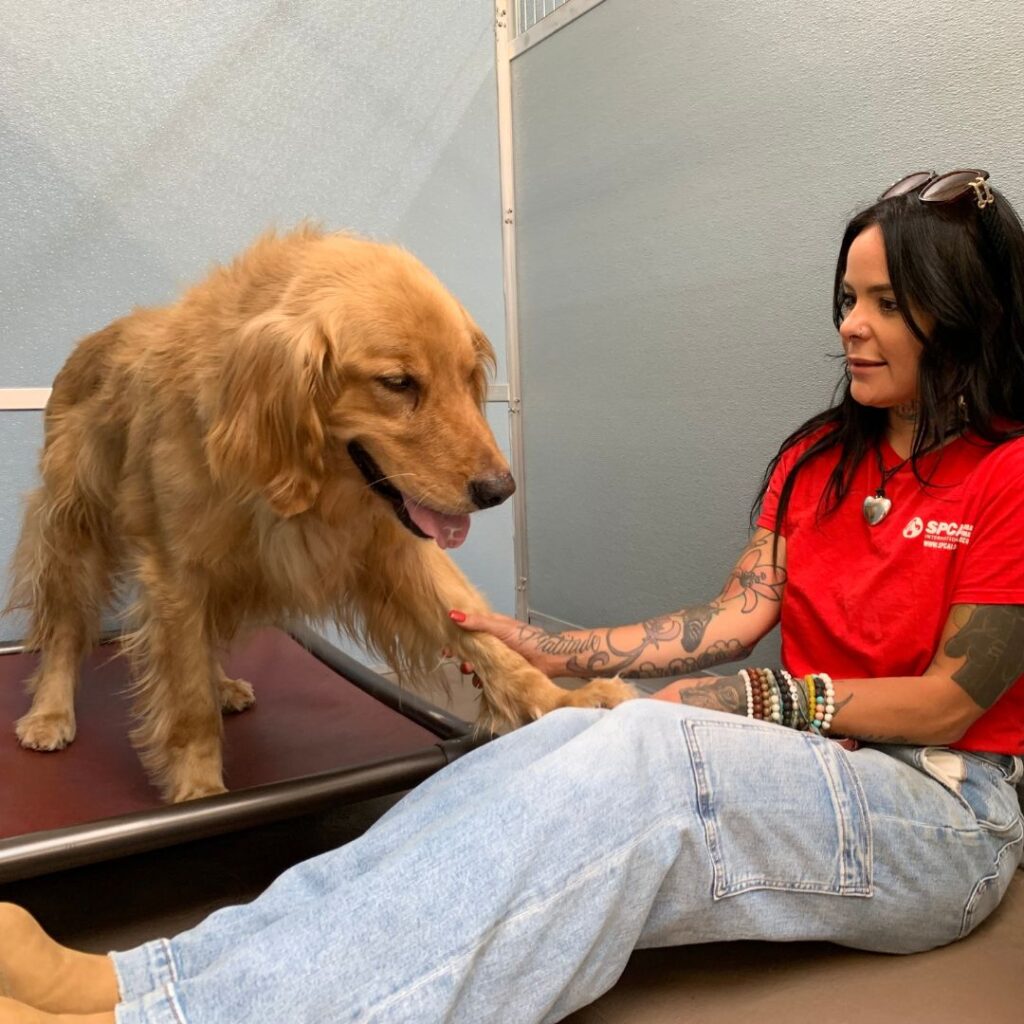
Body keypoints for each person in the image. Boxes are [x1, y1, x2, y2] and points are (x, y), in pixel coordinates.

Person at [2, 168, 1024, 1024]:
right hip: (813, 762)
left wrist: (742, 703)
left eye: (886, 303)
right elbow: (733, 619)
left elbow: (944, 706)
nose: (852, 325)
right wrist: (555, 659)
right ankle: (142, 976)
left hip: (941, 812)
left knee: (635, 753)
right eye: (846, 298)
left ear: (966, 308)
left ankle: (160, 1017)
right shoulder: (816, 459)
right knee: (535, 749)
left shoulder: (1009, 472)